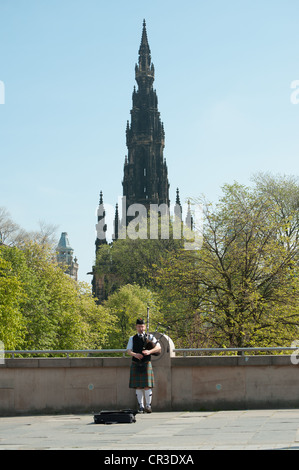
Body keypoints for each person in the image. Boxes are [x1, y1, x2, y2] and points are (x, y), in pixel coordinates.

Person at [127, 318, 161, 413]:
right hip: (136, 362)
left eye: (142, 326)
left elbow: (158, 348)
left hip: (146, 363)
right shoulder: (132, 338)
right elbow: (129, 351)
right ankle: (141, 406)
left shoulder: (150, 337)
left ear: (145, 327)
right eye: (139, 327)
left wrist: (149, 351)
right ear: (136, 327)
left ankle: (148, 406)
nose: (141, 328)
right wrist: (135, 354)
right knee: (138, 386)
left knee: (147, 386)